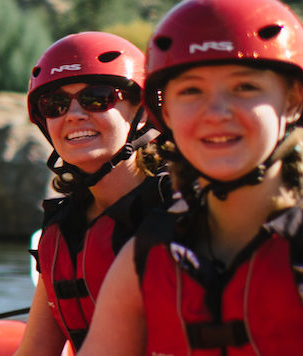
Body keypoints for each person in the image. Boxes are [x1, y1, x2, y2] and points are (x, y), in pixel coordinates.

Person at [80, 0, 303, 354]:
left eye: (244, 87)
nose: (215, 113)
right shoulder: (147, 252)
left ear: (293, 102)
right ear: (166, 113)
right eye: (191, 91)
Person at [14, 32, 172, 355]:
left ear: (141, 111)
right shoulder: (61, 232)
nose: (73, 114)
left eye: (97, 98)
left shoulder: (180, 212)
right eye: (55, 104)